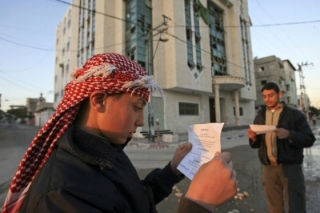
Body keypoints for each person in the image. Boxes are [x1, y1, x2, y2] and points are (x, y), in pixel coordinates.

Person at [1, 53, 236, 213]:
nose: (142, 121)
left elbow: (133, 200)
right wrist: (198, 202)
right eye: (136, 107)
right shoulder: (61, 194)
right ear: (100, 100)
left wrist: (172, 171)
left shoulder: (104, 151)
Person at [247, 82, 315, 213]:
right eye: (264, 96)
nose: (267, 99)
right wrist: (253, 138)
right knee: (274, 207)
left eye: (271, 95)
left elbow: (309, 139)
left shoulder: (294, 115)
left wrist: (290, 134)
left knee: (296, 206)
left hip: (290, 167)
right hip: (268, 168)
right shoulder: (260, 117)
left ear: (279, 94)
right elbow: (256, 145)